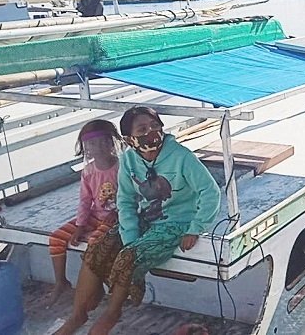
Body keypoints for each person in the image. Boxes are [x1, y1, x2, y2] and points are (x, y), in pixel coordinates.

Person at [55, 106, 221, 335]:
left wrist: (196, 227)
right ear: (129, 139)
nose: (151, 132)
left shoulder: (181, 156)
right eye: (142, 129)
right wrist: (130, 235)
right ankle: (78, 315)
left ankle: (112, 311)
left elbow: (210, 191)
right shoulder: (129, 160)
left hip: (176, 222)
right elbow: (125, 200)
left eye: (155, 126)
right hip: (147, 218)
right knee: (97, 248)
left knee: (129, 257)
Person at [47, 120, 123, 307]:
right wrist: (80, 226)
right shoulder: (88, 171)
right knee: (56, 238)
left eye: (104, 141)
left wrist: (120, 214)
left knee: (95, 243)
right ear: (85, 148)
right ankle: (61, 281)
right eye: (92, 143)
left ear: (112, 142)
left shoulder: (122, 167)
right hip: (95, 215)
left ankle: (96, 285)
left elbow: (132, 196)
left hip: (117, 218)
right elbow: (85, 200)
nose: (98, 147)